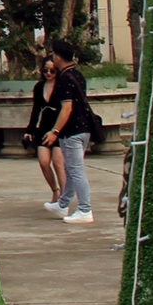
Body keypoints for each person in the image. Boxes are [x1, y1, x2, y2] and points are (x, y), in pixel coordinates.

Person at [43, 39, 96, 224]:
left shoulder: (65, 78)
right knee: (71, 168)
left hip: (72, 130)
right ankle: (63, 203)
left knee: (76, 170)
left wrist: (54, 131)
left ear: (57, 57)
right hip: (82, 128)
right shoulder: (77, 74)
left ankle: (85, 209)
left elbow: (67, 108)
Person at [21, 56, 66, 204]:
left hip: (60, 127)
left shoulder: (62, 86)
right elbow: (36, 110)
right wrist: (30, 130)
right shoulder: (39, 87)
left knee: (58, 161)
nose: (48, 74)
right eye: (45, 70)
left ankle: (64, 196)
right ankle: (55, 190)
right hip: (44, 126)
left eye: (52, 71)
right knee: (43, 161)